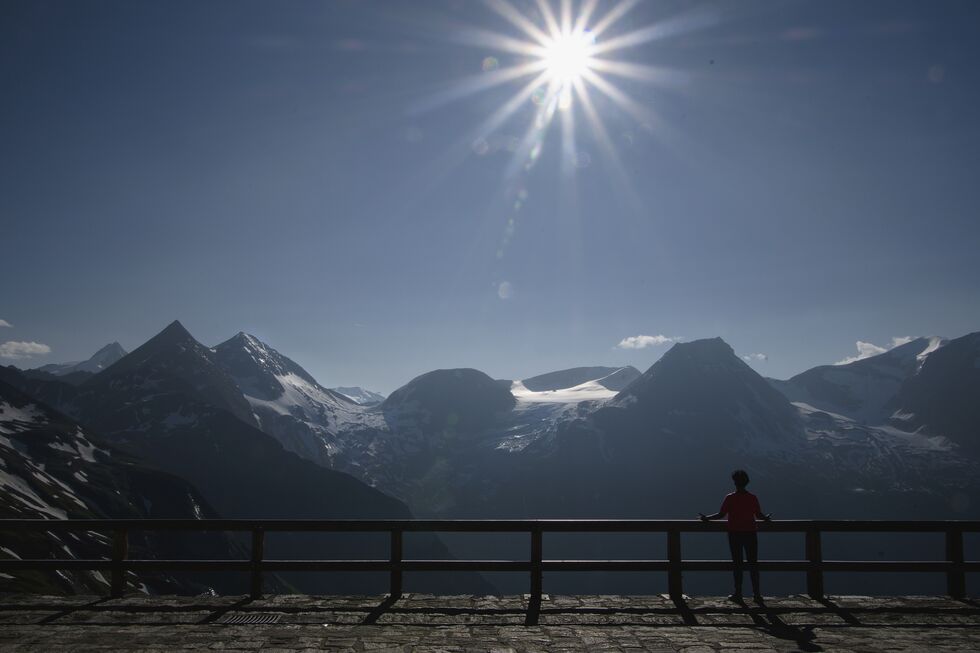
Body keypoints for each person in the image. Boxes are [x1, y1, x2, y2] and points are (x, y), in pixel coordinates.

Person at [699, 469, 772, 603]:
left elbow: (721, 515)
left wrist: (706, 518)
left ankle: (738, 593)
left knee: (737, 563)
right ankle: (757, 594)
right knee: (753, 563)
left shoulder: (730, 498)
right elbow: (759, 515)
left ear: (735, 483)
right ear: (747, 482)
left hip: (735, 534)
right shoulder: (752, 498)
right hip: (750, 533)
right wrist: (766, 518)